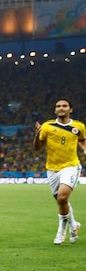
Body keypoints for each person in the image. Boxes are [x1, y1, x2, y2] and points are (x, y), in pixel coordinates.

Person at [34, 99, 86, 245]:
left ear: (71, 109)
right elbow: (37, 147)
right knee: (61, 202)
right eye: (58, 106)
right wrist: (37, 135)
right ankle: (74, 224)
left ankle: (61, 231)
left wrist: (84, 148)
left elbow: (82, 139)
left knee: (62, 199)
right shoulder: (47, 126)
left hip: (71, 166)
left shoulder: (79, 126)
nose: (61, 108)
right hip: (52, 169)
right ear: (55, 110)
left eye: (64, 106)